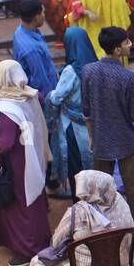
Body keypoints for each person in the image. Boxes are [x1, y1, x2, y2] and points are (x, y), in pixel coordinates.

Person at [81, 26, 134, 232]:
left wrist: (92, 137)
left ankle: (102, 224)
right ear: (118, 50)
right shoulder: (127, 77)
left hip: (101, 138)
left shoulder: (88, 71)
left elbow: (86, 111)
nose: (130, 44)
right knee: (131, 184)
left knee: (100, 186)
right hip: (126, 139)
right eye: (126, 42)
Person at [0, 60, 52, 266]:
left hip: (17, 163)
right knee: (34, 199)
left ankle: (28, 249)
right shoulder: (31, 95)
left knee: (21, 206)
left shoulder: (7, 109)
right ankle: (40, 240)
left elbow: (4, 144)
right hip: (32, 157)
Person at [46, 26, 98, 199]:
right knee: (93, 166)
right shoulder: (96, 65)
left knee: (76, 168)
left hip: (73, 129)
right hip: (94, 127)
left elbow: (56, 98)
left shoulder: (70, 71)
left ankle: (81, 205)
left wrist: (47, 95)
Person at [10, 0, 58, 97]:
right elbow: (41, 82)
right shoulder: (32, 49)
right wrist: (51, 102)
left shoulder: (20, 31)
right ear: (36, 18)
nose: (45, 16)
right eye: (43, 13)